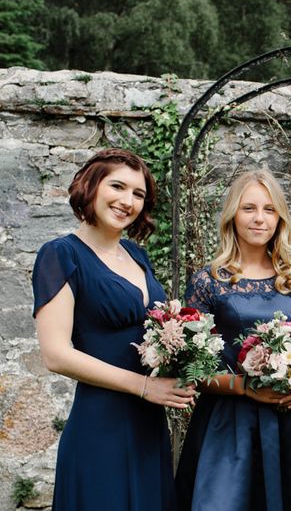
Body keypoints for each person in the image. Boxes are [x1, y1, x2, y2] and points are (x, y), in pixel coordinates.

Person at [32, 148, 196, 511]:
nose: (128, 201)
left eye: (138, 194)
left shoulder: (137, 256)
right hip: (100, 423)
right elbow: (55, 355)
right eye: (118, 187)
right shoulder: (61, 254)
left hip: (148, 425)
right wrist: (144, 386)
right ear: (90, 186)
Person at [175, 169, 291, 511]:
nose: (259, 218)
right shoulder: (208, 283)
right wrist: (244, 387)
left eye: (269, 209)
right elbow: (191, 368)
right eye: (248, 208)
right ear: (232, 216)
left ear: (279, 218)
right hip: (228, 426)